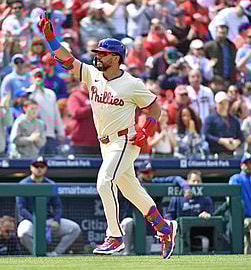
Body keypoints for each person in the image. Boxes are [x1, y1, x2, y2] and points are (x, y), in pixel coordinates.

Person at [39, 15, 177, 258]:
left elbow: (155, 107)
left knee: (104, 181)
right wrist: (51, 38)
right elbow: (67, 59)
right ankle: (165, 228)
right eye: (97, 52)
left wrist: (147, 129)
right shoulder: (92, 74)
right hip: (106, 143)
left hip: (125, 140)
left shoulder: (131, 83)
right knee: (132, 191)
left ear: (116, 57)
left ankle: (114, 236)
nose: (98, 56)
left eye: (103, 53)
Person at [16, 157, 81, 256]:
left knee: (74, 228)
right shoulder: (23, 184)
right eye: (36, 166)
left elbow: (57, 206)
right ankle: (37, 253)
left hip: (48, 220)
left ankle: (56, 253)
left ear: (45, 168)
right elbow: (22, 209)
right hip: (29, 220)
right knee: (23, 232)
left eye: (42, 166)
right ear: (31, 168)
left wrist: (56, 220)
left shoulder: (50, 183)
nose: (39, 168)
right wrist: (37, 222)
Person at [203, 91, 244, 156]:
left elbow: (241, 136)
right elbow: (206, 135)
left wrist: (236, 142)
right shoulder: (210, 119)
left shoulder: (234, 120)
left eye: (225, 102)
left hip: (233, 154)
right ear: (216, 104)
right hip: (215, 154)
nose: (223, 105)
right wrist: (221, 140)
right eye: (221, 103)